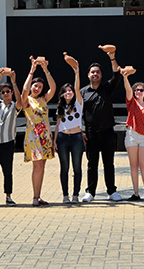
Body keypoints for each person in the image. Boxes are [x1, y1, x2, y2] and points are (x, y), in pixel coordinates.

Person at [80, 46, 122, 202]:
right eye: (92, 72)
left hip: (108, 133)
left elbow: (117, 74)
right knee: (92, 164)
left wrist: (112, 57)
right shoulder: (83, 92)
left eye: (97, 72)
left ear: (101, 75)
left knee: (108, 164)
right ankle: (90, 192)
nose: (95, 74)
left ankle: (112, 191)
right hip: (91, 134)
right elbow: (80, 114)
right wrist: (82, 130)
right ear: (88, 75)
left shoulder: (107, 88)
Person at [120, 66, 144, 201]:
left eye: (141, 90)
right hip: (131, 135)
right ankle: (136, 193)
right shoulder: (131, 103)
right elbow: (127, 89)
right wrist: (125, 77)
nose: (138, 92)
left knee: (143, 165)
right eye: (136, 90)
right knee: (133, 165)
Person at [21, 56, 56, 206]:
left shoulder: (43, 100)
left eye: (40, 87)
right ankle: (35, 197)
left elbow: (53, 88)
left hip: (45, 137)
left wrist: (46, 69)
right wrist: (32, 71)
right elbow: (24, 89)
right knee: (37, 166)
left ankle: (39, 195)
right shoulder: (26, 100)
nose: (37, 89)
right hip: (33, 137)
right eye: (36, 86)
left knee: (42, 167)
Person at [0, 67, 23, 207]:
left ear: (11, 93)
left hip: (7, 143)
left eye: (8, 92)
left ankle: (8, 196)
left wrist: (13, 82)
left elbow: (20, 101)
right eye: (3, 92)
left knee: (7, 171)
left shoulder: (15, 106)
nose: (6, 94)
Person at [53, 53, 85, 204]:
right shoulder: (60, 107)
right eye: (66, 91)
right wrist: (54, 142)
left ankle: (76, 195)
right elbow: (58, 125)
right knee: (64, 168)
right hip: (63, 138)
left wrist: (77, 72)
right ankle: (65, 195)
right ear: (62, 93)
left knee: (77, 167)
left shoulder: (78, 102)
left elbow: (77, 87)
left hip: (77, 138)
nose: (68, 93)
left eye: (70, 91)